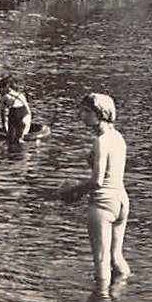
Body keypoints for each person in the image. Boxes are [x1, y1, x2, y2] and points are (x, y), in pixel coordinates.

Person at [60, 93, 130, 289]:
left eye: (87, 111)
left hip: (103, 203)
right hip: (121, 200)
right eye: (82, 110)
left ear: (101, 113)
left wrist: (74, 190)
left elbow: (97, 181)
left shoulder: (101, 141)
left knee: (100, 262)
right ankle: (123, 294)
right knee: (116, 258)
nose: (82, 115)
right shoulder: (118, 137)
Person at [0, 75, 35, 144]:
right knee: (18, 139)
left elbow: (3, 113)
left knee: (12, 138)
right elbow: (28, 111)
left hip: (17, 115)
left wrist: (5, 128)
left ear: (7, 87)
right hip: (21, 115)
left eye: (1, 88)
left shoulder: (4, 98)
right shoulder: (20, 95)